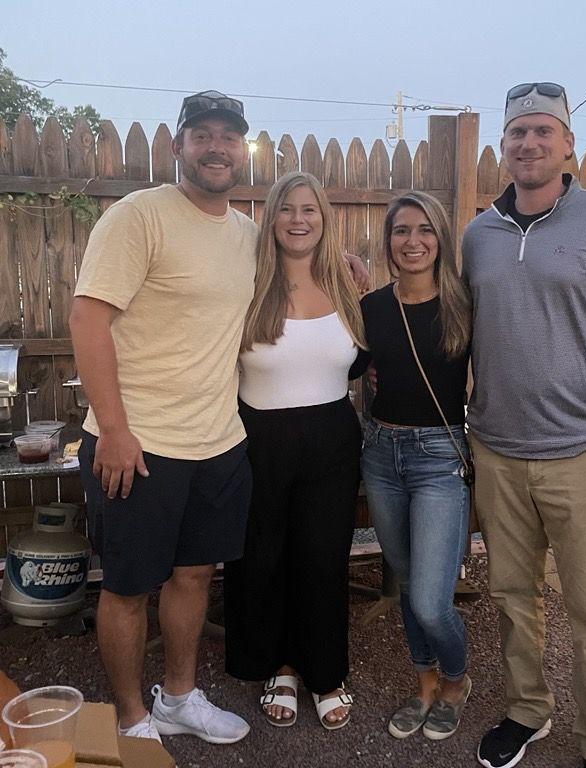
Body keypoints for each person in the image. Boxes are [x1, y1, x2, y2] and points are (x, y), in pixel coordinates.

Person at [462, 83, 586, 768]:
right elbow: (454, 328)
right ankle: (527, 711)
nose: (530, 143)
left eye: (543, 131)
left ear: (569, 144)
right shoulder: (479, 236)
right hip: (497, 451)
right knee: (512, 598)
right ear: (504, 147)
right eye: (518, 133)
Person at [70, 90, 256, 744]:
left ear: (243, 150)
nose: (216, 147)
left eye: (228, 136)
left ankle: (178, 697)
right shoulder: (138, 216)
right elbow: (87, 319)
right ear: (177, 146)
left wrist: (348, 268)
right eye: (202, 134)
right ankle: (131, 718)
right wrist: (114, 431)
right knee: (127, 588)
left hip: (219, 443)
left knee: (194, 575)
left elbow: (296, 280)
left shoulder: (247, 234)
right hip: (139, 445)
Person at [224, 171, 365, 731]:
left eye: (309, 209)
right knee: (263, 559)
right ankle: (279, 667)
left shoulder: (346, 286)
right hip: (259, 438)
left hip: (331, 438)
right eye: (287, 209)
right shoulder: (247, 285)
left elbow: (361, 361)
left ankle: (326, 674)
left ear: (324, 219)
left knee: (323, 559)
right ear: (271, 219)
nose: (298, 219)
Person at [353, 191, 473, 741]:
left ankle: (456, 680)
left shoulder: (463, 304)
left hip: (439, 458)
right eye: (401, 230)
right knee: (404, 582)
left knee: (429, 598)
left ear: (441, 238)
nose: (413, 240)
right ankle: (424, 681)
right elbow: (349, 364)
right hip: (380, 453)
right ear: (389, 241)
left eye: (425, 229)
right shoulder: (374, 307)